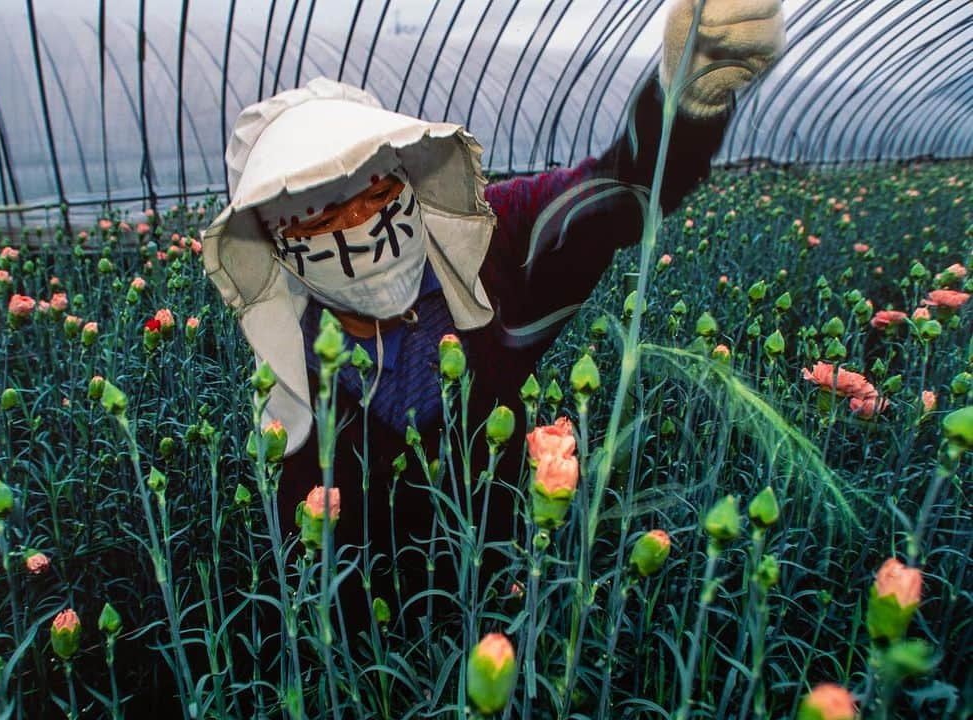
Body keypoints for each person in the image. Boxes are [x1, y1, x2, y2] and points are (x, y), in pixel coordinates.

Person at [201, 0, 785, 682]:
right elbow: (306, 585)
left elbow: (618, 190)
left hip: (516, 601)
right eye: (315, 215)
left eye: (371, 191)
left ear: (408, 173)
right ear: (274, 242)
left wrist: (688, 103)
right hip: (379, 661)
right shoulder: (290, 391)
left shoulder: (490, 246)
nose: (355, 223)